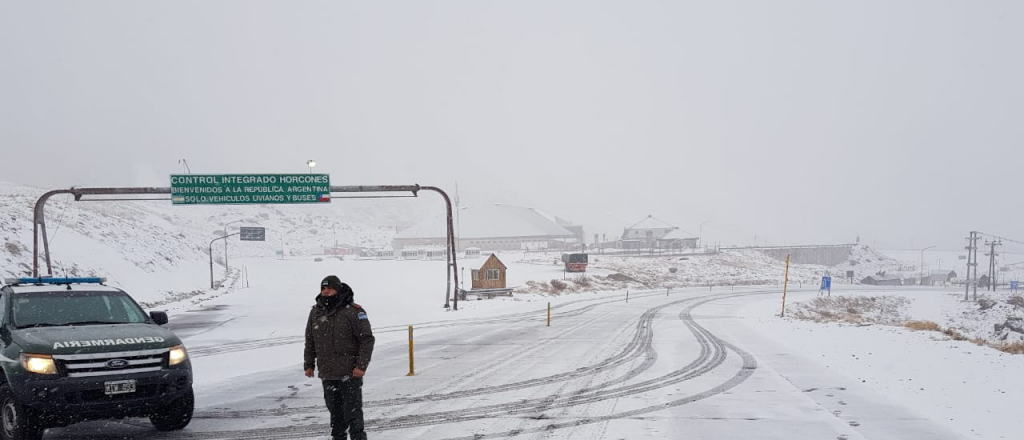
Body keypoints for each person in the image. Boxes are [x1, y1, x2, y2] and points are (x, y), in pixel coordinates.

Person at [304, 275, 375, 440]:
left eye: (329, 288)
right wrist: (309, 364)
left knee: (353, 413)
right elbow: (310, 339)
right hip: (328, 373)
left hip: (349, 373)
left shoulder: (353, 311)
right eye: (323, 288)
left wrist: (361, 366)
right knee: (335, 415)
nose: (326, 292)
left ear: (338, 289)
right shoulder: (316, 312)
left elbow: (367, 340)